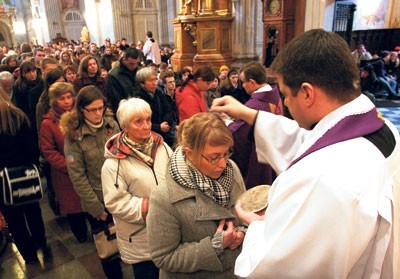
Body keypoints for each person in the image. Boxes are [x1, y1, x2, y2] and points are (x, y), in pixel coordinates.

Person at [211, 29, 400, 278]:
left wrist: (257, 225)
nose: (285, 103)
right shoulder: (381, 127)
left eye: (286, 95)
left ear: (308, 93)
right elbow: (310, 141)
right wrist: (250, 115)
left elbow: (277, 265)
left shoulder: (323, 178)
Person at [147, 112, 246, 278]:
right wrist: (215, 246)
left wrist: (243, 231)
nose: (223, 163)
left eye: (226, 153)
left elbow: (244, 210)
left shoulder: (232, 169)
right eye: (214, 158)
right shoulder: (164, 196)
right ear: (189, 153)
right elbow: (163, 257)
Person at [102, 98, 172, 279]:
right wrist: (153, 207)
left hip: (170, 230)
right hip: (141, 237)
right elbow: (116, 203)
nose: (147, 126)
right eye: (138, 122)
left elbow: (175, 174)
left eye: (148, 119)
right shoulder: (113, 164)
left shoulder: (162, 146)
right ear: (125, 126)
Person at [61, 86, 122, 278]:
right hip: (98, 200)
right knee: (109, 249)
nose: (98, 113)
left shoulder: (111, 125)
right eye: (92, 110)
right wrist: (95, 207)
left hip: (120, 193)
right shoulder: (74, 136)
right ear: (81, 110)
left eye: (101, 108)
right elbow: (77, 176)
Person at [0, 89, 49, 264]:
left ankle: (29, 256)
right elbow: (31, 148)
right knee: (34, 213)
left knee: (14, 221)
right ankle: (42, 244)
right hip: (25, 173)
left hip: (2, 180)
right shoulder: (16, 115)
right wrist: (32, 166)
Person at [39, 82, 87, 242]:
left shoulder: (80, 115)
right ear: (54, 101)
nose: (67, 101)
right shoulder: (48, 123)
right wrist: (70, 166)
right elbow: (48, 151)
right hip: (65, 172)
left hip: (86, 166)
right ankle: (80, 235)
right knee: (74, 208)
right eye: (62, 98)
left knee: (89, 201)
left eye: (69, 97)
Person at [228, 62, 282, 189]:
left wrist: (228, 124)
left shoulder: (256, 105)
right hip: (274, 151)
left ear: (252, 82)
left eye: (244, 82)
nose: (243, 86)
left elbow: (238, 133)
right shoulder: (275, 95)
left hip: (259, 157)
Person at [133, 67, 174, 147]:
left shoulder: (158, 93)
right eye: (150, 80)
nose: (154, 83)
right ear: (142, 84)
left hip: (164, 131)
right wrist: (158, 127)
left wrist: (165, 123)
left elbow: (168, 110)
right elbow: (139, 121)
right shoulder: (138, 98)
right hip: (148, 136)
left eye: (155, 79)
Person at [108, 47, 141, 115]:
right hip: (125, 111)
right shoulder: (113, 75)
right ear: (124, 60)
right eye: (131, 63)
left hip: (141, 108)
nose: (134, 66)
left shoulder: (140, 71)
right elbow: (116, 99)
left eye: (136, 63)